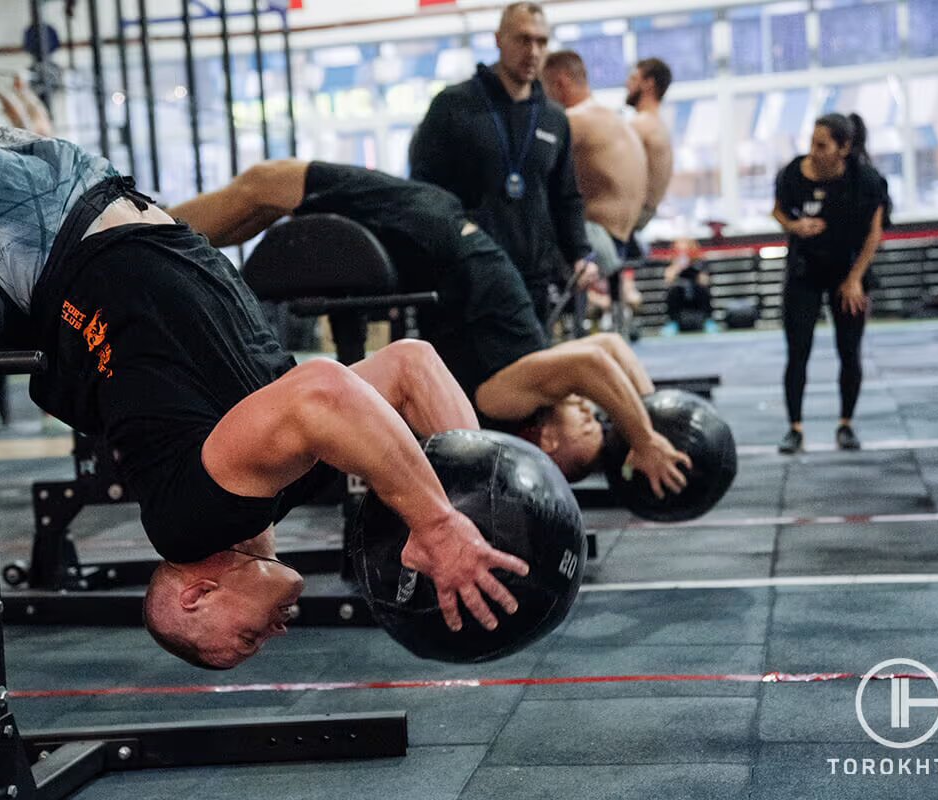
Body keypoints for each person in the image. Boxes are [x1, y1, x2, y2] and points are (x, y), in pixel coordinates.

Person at [0, 117, 531, 669]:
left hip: (35, 227)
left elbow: (325, 393)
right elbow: (411, 366)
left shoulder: (192, 515)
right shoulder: (265, 485)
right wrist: (471, 505)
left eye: (244, 637)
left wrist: (433, 524)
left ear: (194, 595)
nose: (273, 636)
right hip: (86, 199)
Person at [165, 159, 691, 491]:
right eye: (603, 424)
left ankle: (141, 235)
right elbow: (610, 345)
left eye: (588, 431)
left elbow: (592, 361)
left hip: (428, 232)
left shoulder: (506, 398)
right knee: (263, 199)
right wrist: (655, 424)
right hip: (442, 227)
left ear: (548, 442)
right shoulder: (538, 386)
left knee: (265, 184)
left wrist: (641, 439)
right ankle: (160, 239)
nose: (594, 418)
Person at [408, 2, 593, 328]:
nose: (533, 51)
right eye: (523, 39)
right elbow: (423, 190)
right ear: (498, 39)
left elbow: (566, 196)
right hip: (466, 280)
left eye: (541, 42)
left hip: (532, 283)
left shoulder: (553, 118)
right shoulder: (453, 105)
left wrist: (580, 254)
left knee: (534, 377)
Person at [772, 113, 888, 454]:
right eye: (811, 143)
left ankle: (846, 425)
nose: (814, 151)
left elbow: (874, 233)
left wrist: (855, 280)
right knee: (798, 351)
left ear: (844, 147)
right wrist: (793, 227)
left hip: (848, 271)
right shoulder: (794, 173)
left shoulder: (865, 180)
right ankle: (794, 428)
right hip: (805, 271)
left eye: (822, 145)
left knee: (849, 351)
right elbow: (778, 210)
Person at [540, 50, 647, 279]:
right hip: (624, 238)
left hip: (599, 241)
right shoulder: (611, 117)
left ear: (560, 83)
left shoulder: (573, 120)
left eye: (543, 88)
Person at [625, 58, 674, 233]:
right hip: (641, 217)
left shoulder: (641, 126)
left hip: (631, 218)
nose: (626, 84)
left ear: (648, 84)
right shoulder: (658, 125)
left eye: (633, 79)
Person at [661, 238, 716, 335]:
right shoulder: (673, 261)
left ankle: (708, 321)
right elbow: (668, 279)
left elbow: (705, 280)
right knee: (673, 291)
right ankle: (673, 322)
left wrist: (694, 267)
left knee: (704, 291)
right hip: (680, 293)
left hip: (696, 291)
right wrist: (678, 266)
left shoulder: (700, 261)